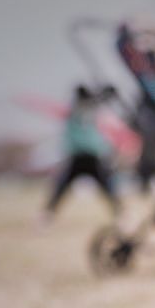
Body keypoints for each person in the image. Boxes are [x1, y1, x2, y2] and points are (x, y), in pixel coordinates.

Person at [40, 85, 120, 224]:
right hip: (77, 155)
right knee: (61, 187)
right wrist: (103, 94)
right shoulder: (74, 109)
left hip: (93, 155)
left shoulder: (91, 108)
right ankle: (47, 215)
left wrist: (107, 92)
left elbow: (100, 99)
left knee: (107, 187)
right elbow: (94, 100)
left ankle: (120, 214)